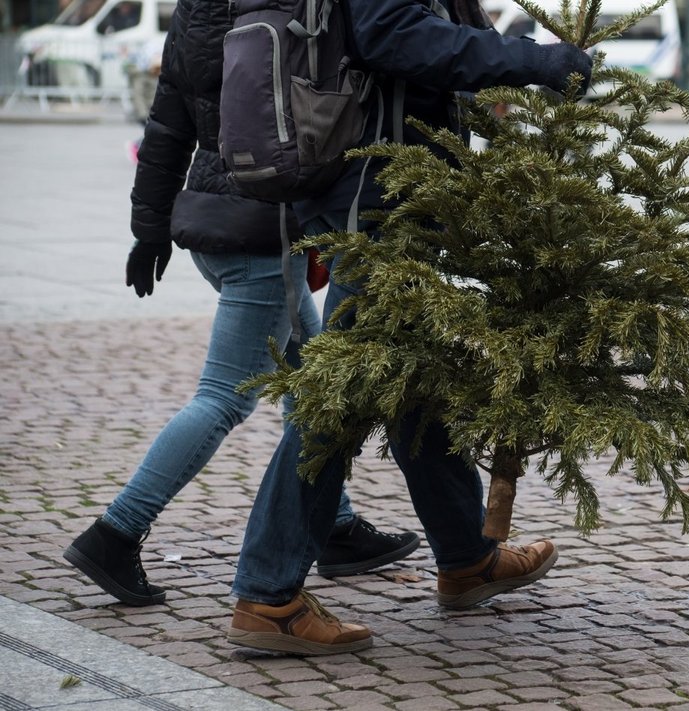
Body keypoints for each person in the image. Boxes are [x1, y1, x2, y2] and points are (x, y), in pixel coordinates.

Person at [225, 0, 593, 655]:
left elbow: (441, 35)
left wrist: (506, 52)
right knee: (342, 391)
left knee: (412, 377)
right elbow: (395, 35)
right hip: (377, 195)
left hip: (397, 192)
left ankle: (465, 556)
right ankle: (269, 593)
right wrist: (535, 62)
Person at [63, 0, 420, 608]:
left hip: (215, 216)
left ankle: (333, 526)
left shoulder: (195, 9)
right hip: (263, 230)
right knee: (226, 396)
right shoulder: (289, 8)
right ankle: (115, 533)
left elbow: (167, 123)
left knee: (312, 379)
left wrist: (149, 228)